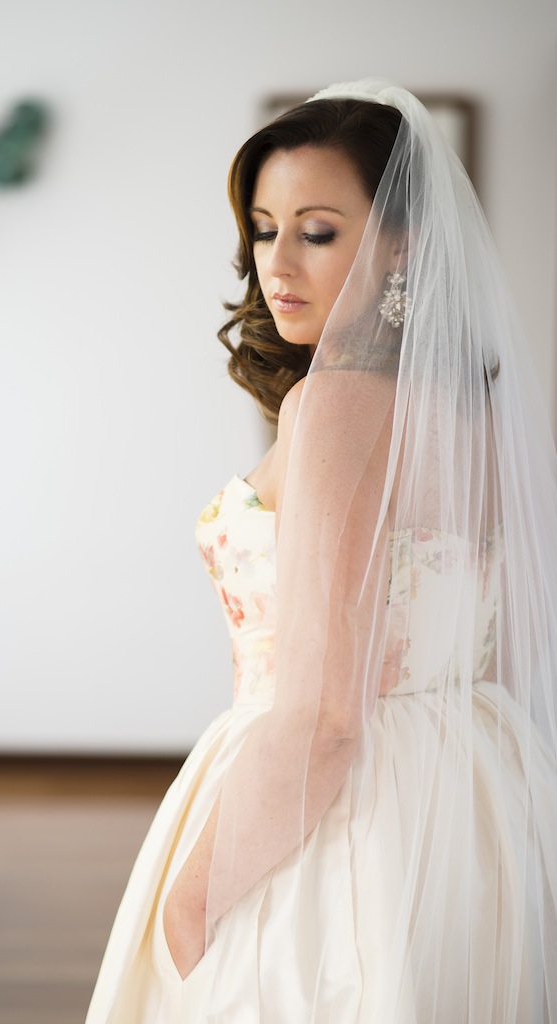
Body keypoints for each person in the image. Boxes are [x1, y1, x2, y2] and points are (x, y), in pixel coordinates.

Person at [85, 79, 557, 1022]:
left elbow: (327, 717)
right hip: (474, 803)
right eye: (264, 229)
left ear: (400, 245)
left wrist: (195, 894)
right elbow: (497, 653)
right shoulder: (475, 412)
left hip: (340, 817)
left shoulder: (336, 405)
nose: (276, 263)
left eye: (317, 229)